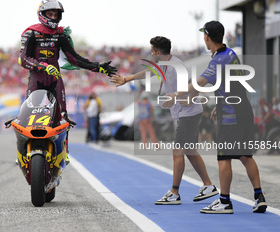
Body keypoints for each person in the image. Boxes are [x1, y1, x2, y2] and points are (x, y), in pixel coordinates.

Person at [163, 21, 267, 214]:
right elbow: (229, 84)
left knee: (224, 157)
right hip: (243, 110)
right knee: (245, 155)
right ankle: (259, 197)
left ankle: (225, 202)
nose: (204, 38)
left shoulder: (218, 59)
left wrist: (176, 95)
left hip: (231, 115)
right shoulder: (230, 54)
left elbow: (201, 81)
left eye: (204, 35)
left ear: (207, 37)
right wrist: (218, 105)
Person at [110, 36, 218, 205]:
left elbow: (195, 84)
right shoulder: (163, 65)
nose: (150, 53)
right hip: (185, 113)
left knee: (177, 152)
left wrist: (189, 98)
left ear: (158, 52)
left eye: (152, 51)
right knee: (189, 152)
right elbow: (148, 73)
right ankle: (208, 185)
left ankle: (174, 192)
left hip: (189, 113)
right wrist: (126, 79)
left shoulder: (177, 67)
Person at [19, 0, 117, 161]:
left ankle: (63, 152)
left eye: (55, 14)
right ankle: (23, 153)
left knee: (62, 117)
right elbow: (23, 59)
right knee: (27, 115)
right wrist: (42, 66)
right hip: (36, 80)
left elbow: (74, 59)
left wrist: (98, 67)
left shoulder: (60, 35)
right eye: (49, 14)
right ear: (42, 14)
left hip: (55, 80)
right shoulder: (31, 33)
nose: (52, 17)